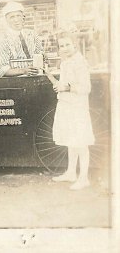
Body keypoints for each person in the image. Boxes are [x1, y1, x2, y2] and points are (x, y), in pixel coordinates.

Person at [45, 29, 95, 190]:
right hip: (66, 105)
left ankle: (84, 178)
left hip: (77, 107)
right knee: (71, 141)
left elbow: (85, 87)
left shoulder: (79, 62)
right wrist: (49, 75)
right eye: (62, 45)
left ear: (75, 45)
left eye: (68, 44)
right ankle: (71, 172)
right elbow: (61, 85)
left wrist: (65, 87)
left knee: (80, 142)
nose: (65, 48)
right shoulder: (66, 62)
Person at [0, 1, 43, 77]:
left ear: (23, 17)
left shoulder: (33, 34)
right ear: (6, 20)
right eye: (12, 17)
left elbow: (40, 55)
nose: (16, 20)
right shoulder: (3, 40)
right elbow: (2, 70)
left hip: (37, 76)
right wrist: (23, 71)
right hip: (17, 81)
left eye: (18, 15)